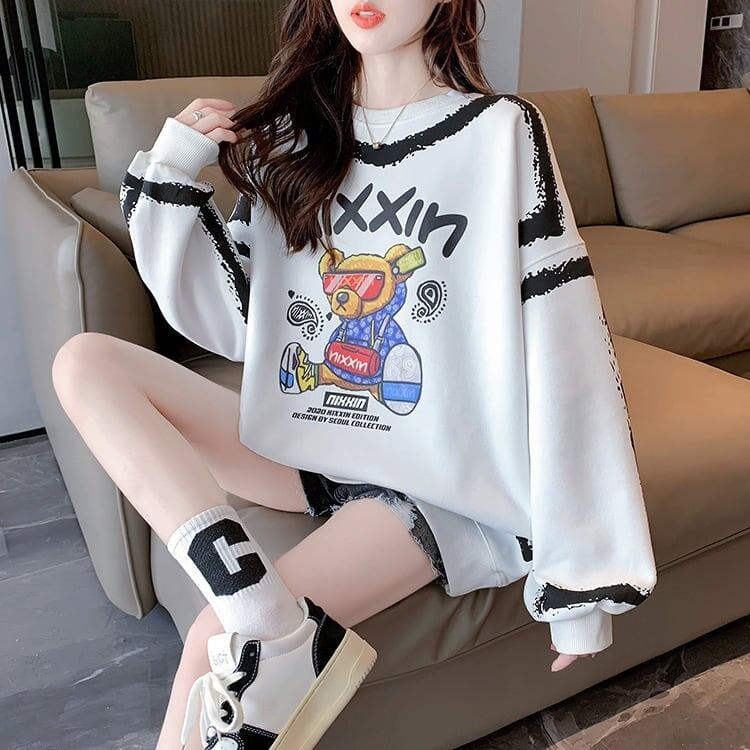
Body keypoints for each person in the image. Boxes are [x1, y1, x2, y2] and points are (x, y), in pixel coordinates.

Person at [51, 0, 658, 748]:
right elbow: (237, 324)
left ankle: (255, 624)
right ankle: (263, 610)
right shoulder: (295, 141)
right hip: (312, 444)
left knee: (211, 641)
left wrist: (583, 586)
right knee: (86, 361)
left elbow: (567, 343)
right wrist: (173, 170)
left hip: (432, 482)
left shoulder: (500, 133)